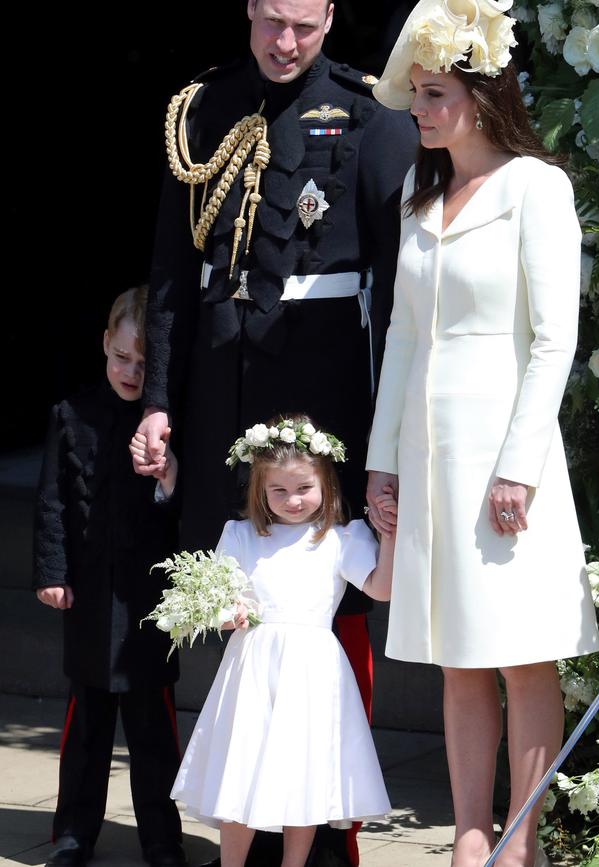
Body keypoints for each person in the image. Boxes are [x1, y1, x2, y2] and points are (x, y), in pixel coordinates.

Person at [134, 3, 417, 862]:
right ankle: (242, 824)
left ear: (328, 15)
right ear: (249, 14)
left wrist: (394, 431)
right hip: (223, 391)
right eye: (269, 22)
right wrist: (158, 398)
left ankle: (328, 828)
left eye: (301, 24)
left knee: (328, 612)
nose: (284, 43)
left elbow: (400, 284)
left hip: (323, 391)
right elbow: (173, 272)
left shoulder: (372, 116)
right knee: (227, 605)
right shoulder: (206, 111)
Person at [364, 2, 599, 866]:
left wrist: (519, 469)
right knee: (458, 656)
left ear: (483, 95)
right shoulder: (416, 192)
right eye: (419, 94)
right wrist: (382, 462)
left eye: (435, 94)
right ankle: (471, 834)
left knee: (519, 655)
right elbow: (400, 335)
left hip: (508, 460)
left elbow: (555, 339)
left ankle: (521, 838)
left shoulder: (537, 186)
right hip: (430, 459)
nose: (420, 111)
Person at [151, 415, 396, 867]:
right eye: (278, 491)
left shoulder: (341, 539)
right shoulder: (241, 535)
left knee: (303, 772)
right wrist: (229, 613)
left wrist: (392, 537)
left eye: (303, 488)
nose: (293, 500)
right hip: (253, 668)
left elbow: (381, 588)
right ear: (260, 491)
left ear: (325, 483)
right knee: (241, 768)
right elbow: (218, 600)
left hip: (312, 669)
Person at [33, 286, 187, 867]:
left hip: (150, 600)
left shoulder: (169, 427)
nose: (130, 370)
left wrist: (169, 477)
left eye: (144, 363)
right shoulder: (70, 416)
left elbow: (180, 510)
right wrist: (53, 572)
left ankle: (161, 836)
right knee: (87, 728)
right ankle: (74, 833)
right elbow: (52, 503)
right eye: (122, 356)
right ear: (104, 344)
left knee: (153, 729)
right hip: (92, 598)